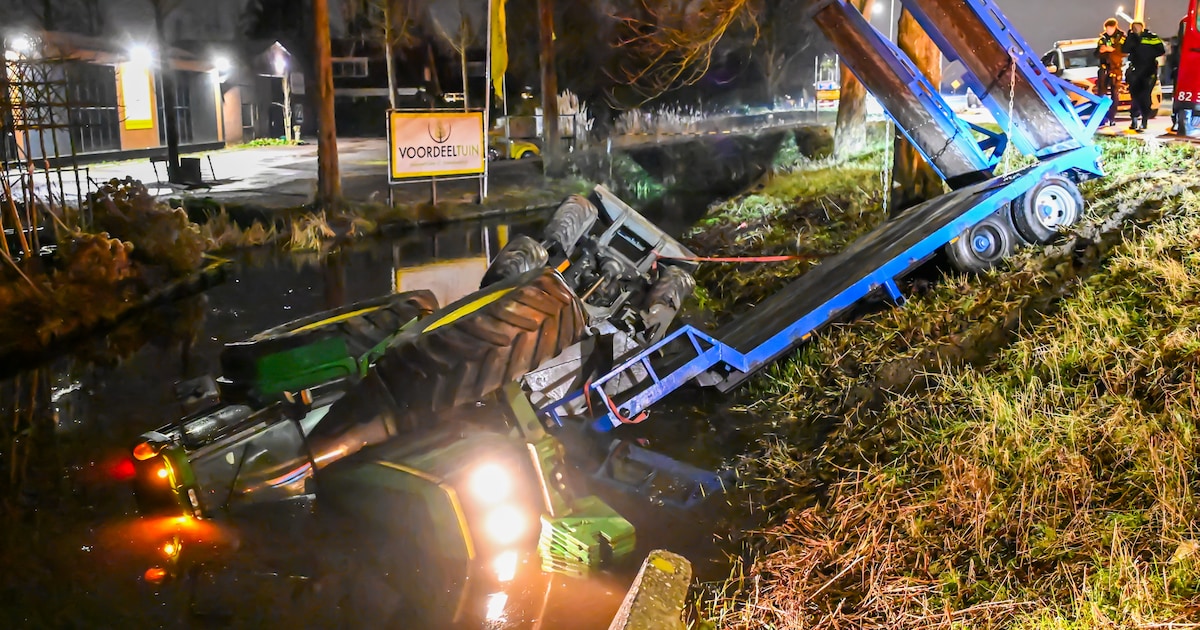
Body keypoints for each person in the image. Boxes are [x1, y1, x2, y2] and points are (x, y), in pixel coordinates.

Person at [1123, 21, 1166, 132]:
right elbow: (1124, 49)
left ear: (1142, 27)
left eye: (1137, 27)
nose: (1136, 29)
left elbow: (1161, 50)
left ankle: (1144, 120)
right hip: (1135, 72)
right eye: (1134, 28)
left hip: (1149, 71)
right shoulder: (1131, 38)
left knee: (1145, 97)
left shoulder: (1152, 37)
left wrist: (1148, 53)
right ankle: (1134, 119)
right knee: (1135, 97)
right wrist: (1131, 37)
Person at [1096, 18, 1126, 127]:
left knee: (1115, 94)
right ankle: (1101, 117)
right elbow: (1096, 52)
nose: (1108, 31)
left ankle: (1112, 117)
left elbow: (1124, 51)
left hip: (1115, 69)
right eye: (1107, 29)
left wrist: (1112, 50)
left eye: (1110, 29)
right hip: (1104, 68)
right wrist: (1103, 50)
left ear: (1114, 27)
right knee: (1101, 94)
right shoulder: (1103, 38)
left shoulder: (1121, 37)